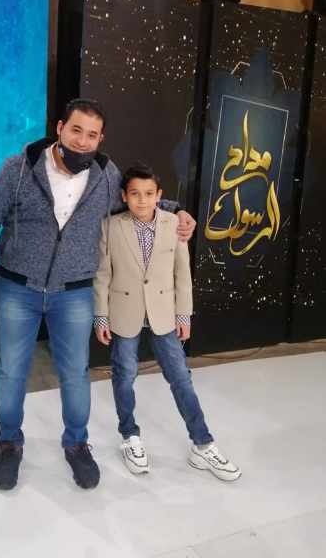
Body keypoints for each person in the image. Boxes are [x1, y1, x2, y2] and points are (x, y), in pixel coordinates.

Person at [0, 99, 196, 491]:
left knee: (75, 374)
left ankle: (76, 444)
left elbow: (133, 201)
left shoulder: (106, 176)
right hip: (16, 287)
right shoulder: (19, 168)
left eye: (92, 135)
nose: (83, 141)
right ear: (60, 128)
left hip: (73, 293)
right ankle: (10, 443)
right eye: (76, 130)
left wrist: (177, 212)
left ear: (100, 139)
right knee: (12, 371)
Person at [94, 163, 241, 481]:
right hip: (124, 312)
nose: (142, 200)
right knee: (124, 376)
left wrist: (184, 314)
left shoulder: (174, 223)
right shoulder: (110, 226)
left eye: (149, 194)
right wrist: (101, 315)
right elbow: (102, 275)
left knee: (181, 378)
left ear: (159, 195)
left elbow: (182, 274)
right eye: (135, 194)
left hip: (164, 314)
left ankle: (203, 443)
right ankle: (129, 436)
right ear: (124, 196)